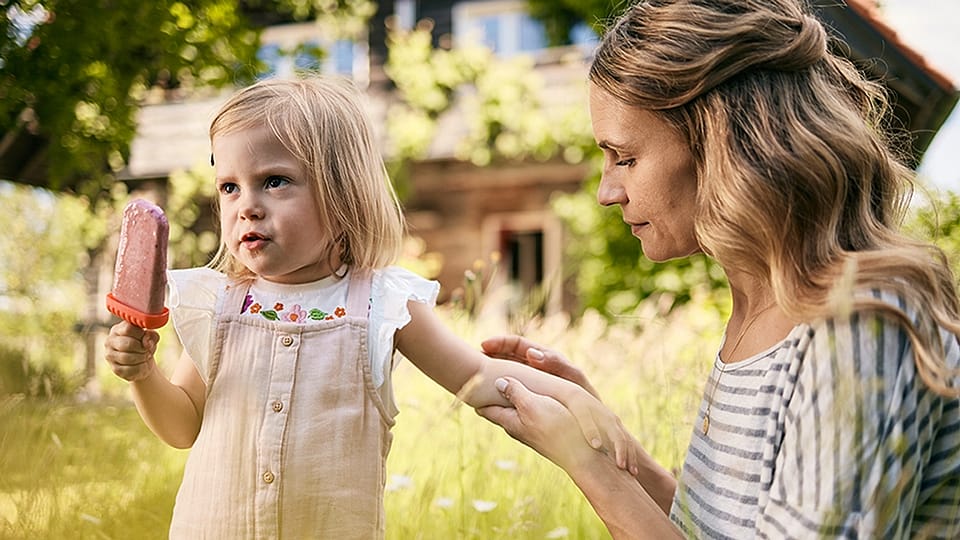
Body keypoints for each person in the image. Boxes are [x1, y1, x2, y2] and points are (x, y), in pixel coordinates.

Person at [477, 0, 960, 538]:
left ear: (725, 143)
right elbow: (713, 528)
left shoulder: (861, 327)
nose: (606, 193)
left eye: (626, 158)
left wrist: (586, 467)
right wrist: (602, 439)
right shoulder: (761, 311)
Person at [102, 76, 629, 539]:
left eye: (275, 181)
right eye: (229, 188)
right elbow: (181, 428)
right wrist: (142, 372)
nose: (247, 206)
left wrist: (574, 400)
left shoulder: (380, 304)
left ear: (342, 192)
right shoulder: (220, 306)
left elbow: (481, 375)